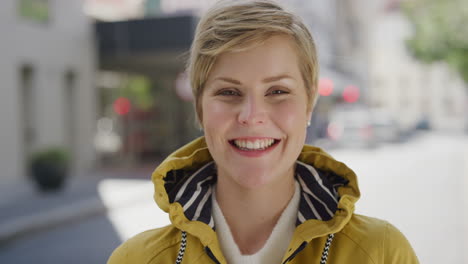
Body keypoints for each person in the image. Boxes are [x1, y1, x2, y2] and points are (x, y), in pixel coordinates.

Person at [107, 0, 419, 263]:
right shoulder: (135, 259)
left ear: (309, 103)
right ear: (200, 108)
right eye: (229, 92)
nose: (252, 116)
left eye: (278, 91)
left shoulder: (381, 253)